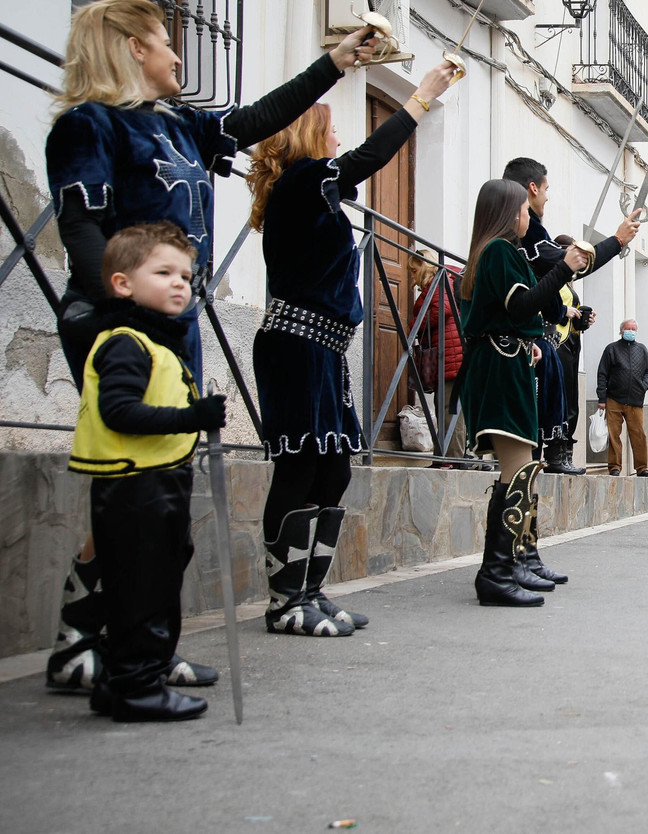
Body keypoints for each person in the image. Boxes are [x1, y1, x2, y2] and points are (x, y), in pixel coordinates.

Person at [42, 0, 379, 690]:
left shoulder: (180, 126)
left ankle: (124, 642)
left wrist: (335, 64)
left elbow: (257, 119)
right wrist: (125, 317)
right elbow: (81, 230)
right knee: (131, 485)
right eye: (165, 41)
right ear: (132, 48)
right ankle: (90, 644)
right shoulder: (89, 125)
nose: (176, 54)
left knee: (160, 485)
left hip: (176, 326)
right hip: (119, 324)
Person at [246, 61, 460, 636]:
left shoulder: (313, 194)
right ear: (309, 135)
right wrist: (420, 99)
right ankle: (284, 601)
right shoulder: (301, 183)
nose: (339, 136)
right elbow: (368, 158)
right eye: (331, 127)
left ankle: (309, 591)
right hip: (296, 346)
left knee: (334, 470)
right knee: (299, 467)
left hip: (324, 350)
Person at [68, 223, 227, 720]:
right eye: (163, 273)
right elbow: (119, 411)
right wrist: (192, 418)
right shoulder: (125, 342)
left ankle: (120, 680)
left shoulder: (155, 342)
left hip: (158, 479)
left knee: (155, 582)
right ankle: (137, 686)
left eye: (186, 275)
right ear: (122, 283)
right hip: (133, 484)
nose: (180, 283)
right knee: (141, 591)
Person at [456, 179, 590, 606]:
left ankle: (512, 562)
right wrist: (564, 268)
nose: (528, 216)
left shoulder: (499, 252)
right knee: (517, 470)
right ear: (507, 212)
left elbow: (518, 311)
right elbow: (521, 305)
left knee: (522, 469)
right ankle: (497, 572)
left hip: (506, 361)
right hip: (499, 365)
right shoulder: (498, 250)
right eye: (522, 209)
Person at [502, 158, 641, 474]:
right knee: (522, 447)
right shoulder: (518, 239)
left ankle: (546, 462)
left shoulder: (527, 235)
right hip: (518, 341)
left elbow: (543, 290)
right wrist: (616, 240)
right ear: (532, 189)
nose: (547, 198)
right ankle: (538, 464)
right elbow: (560, 270)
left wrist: (565, 312)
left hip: (538, 341)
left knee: (553, 403)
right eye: (546, 189)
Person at [408, 248, 469, 462]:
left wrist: (414, 325)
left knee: (450, 409)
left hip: (450, 353)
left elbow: (442, 310)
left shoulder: (439, 282)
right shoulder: (441, 282)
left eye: (414, 270)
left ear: (425, 266)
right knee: (446, 407)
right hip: (448, 353)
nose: (412, 276)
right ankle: (445, 458)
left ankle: (452, 460)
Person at [552, 234, 598, 472]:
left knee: (571, 401)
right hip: (556, 344)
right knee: (560, 400)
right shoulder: (552, 276)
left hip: (570, 343)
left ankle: (565, 453)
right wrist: (564, 311)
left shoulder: (568, 281)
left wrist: (583, 319)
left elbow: (571, 316)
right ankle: (557, 455)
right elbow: (541, 305)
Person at [595, 320, 648, 477]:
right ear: (621, 331)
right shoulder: (611, 349)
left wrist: (644, 385)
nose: (631, 331)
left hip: (635, 400)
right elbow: (602, 373)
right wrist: (602, 398)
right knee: (614, 435)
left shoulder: (642, 349)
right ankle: (615, 467)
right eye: (628, 328)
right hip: (614, 399)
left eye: (633, 329)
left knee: (638, 435)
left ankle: (642, 467)